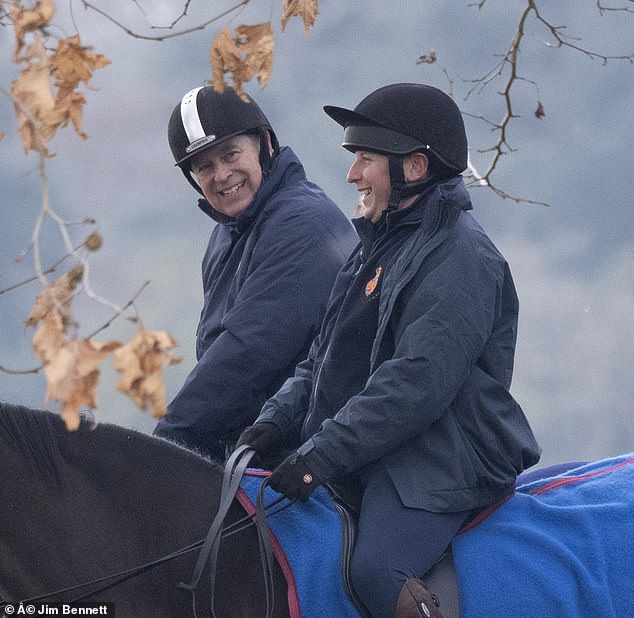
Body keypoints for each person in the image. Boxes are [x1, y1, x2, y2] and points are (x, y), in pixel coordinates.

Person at [237, 83, 541, 618]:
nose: (352, 174)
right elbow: (321, 359)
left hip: (442, 460)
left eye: (365, 159)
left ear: (416, 168)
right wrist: (269, 427)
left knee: (376, 571)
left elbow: (415, 383)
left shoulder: (462, 256)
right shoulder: (374, 247)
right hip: (381, 449)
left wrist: (318, 458)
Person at [154, 85, 357, 460]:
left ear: (264, 144)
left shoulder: (303, 223)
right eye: (204, 166)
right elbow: (214, 353)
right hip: (251, 445)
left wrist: (162, 446)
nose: (222, 175)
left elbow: (247, 354)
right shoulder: (225, 235)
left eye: (230, 154)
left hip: (309, 448)